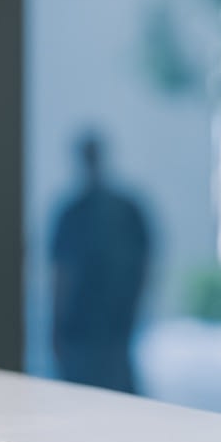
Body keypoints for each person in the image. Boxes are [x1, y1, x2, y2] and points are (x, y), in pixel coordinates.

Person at [48, 130, 152, 393]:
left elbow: (144, 267)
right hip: (83, 334)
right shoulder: (73, 213)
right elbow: (61, 276)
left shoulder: (126, 210)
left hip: (112, 332)